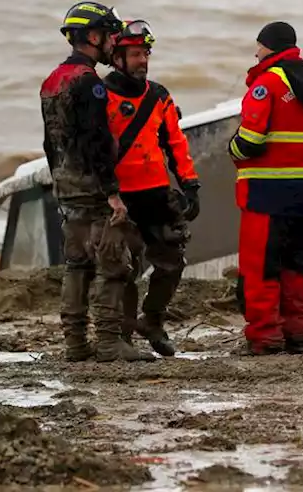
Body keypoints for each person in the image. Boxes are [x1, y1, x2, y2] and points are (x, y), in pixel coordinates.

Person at [40, 0, 150, 363]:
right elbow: (97, 142)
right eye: (108, 35)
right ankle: (107, 342)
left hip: (64, 182)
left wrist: (60, 177)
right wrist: (113, 194)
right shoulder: (90, 85)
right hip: (92, 185)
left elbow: (49, 141)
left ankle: (74, 343)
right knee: (113, 263)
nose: (113, 43)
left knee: (76, 264)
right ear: (92, 36)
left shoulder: (52, 81)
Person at [228, 21, 303, 355]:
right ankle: (298, 333)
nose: (255, 52)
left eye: (259, 46)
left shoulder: (266, 84)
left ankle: (265, 337)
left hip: (265, 195)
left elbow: (250, 139)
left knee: (261, 267)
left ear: (272, 47)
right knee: (297, 266)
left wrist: (232, 149)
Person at [103, 19, 201, 357]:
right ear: (117, 57)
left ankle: (153, 320)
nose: (143, 60)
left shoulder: (159, 96)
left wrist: (190, 185)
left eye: (146, 53)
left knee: (172, 261)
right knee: (123, 268)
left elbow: (176, 144)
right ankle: (125, 334)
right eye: (135, 54)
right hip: (120, 199)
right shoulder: (101, 96)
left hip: (157, 194)